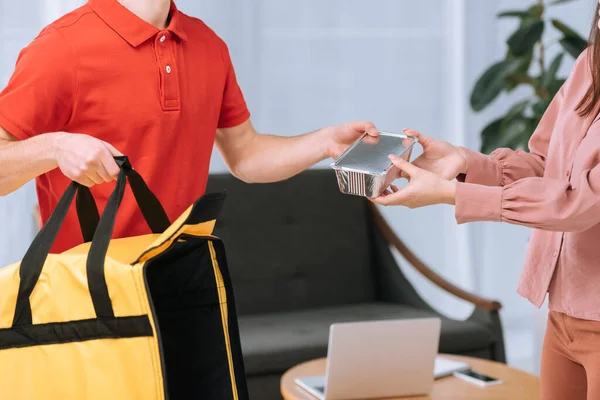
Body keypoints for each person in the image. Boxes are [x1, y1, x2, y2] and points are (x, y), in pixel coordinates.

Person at [0, 0, 378, 253]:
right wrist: (55, 148)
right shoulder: (61, 47)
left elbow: (245, 154)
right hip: (88, 302)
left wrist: (326, 142)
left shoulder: (208, 46)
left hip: (183, 288)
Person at [372, 3, 600, 399]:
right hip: (562, 316)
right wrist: (466, 162)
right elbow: (549, 166)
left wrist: (453, 194)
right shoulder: (590, 64)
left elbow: (580, 203)